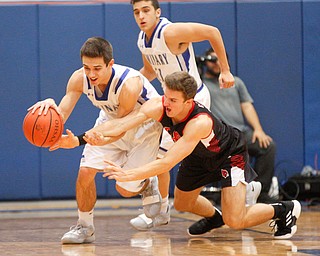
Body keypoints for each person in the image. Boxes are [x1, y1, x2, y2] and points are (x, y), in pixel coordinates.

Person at [83, 71, 301, 239]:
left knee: (234, 220)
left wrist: (129, 174)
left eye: (173, 100)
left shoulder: (199, 123)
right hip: (198, 158)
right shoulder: (160, 105)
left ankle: (284, 209)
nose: (166, 103)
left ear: (189, 102)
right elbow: (123, 123)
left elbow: (167, 162)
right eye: (166, 96)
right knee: (183, 204)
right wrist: (83, 138)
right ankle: (214, 218)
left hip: (228, 155)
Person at [28, 37, 164, 244]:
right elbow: (62, 113)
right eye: (86, 67)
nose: (91, 74)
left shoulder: (129, 83)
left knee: (124, 189)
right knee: (85, 172)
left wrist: (81, 140)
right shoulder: (78, 78)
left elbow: (120, 128)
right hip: (110, 119)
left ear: (110, 64)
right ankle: (85, 227)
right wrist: (51, 111)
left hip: (143, 127)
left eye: (97, 68)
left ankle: (147, 182)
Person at [128, 0, 238, 231]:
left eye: (146, 10)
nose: (141, 16)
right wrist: (127, 86)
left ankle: (159, 210)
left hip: (193, 100)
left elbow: (212, 32)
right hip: (170, 101)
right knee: (166, 156)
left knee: (163, 158)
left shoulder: (171, 32)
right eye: (136, 12)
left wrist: (226, 70)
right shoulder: (142, 40)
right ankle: (164, 208)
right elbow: (149, 71)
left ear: (157, 12)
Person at [201, 47, 277, 203]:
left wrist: (258, 129)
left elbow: (247, 106)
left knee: (268, 147)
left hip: (240, 133)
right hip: (218, 136)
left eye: (219, 60)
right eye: (212, 60)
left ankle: (261, 192)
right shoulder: (201, 85)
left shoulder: (236, 82)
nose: (216, 64)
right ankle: (223, 195)